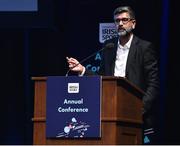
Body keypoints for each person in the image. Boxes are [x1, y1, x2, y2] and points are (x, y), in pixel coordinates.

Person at [66, 6, 160, 144]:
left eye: (124, 20)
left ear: (133, 23)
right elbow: (103, 79)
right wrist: (82, 70)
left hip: (138, 116)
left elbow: (153, 84)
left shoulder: (144, 48)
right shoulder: (109, 46)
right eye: (117, 21)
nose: (120, 24)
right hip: (111, 113)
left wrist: (139, 109)